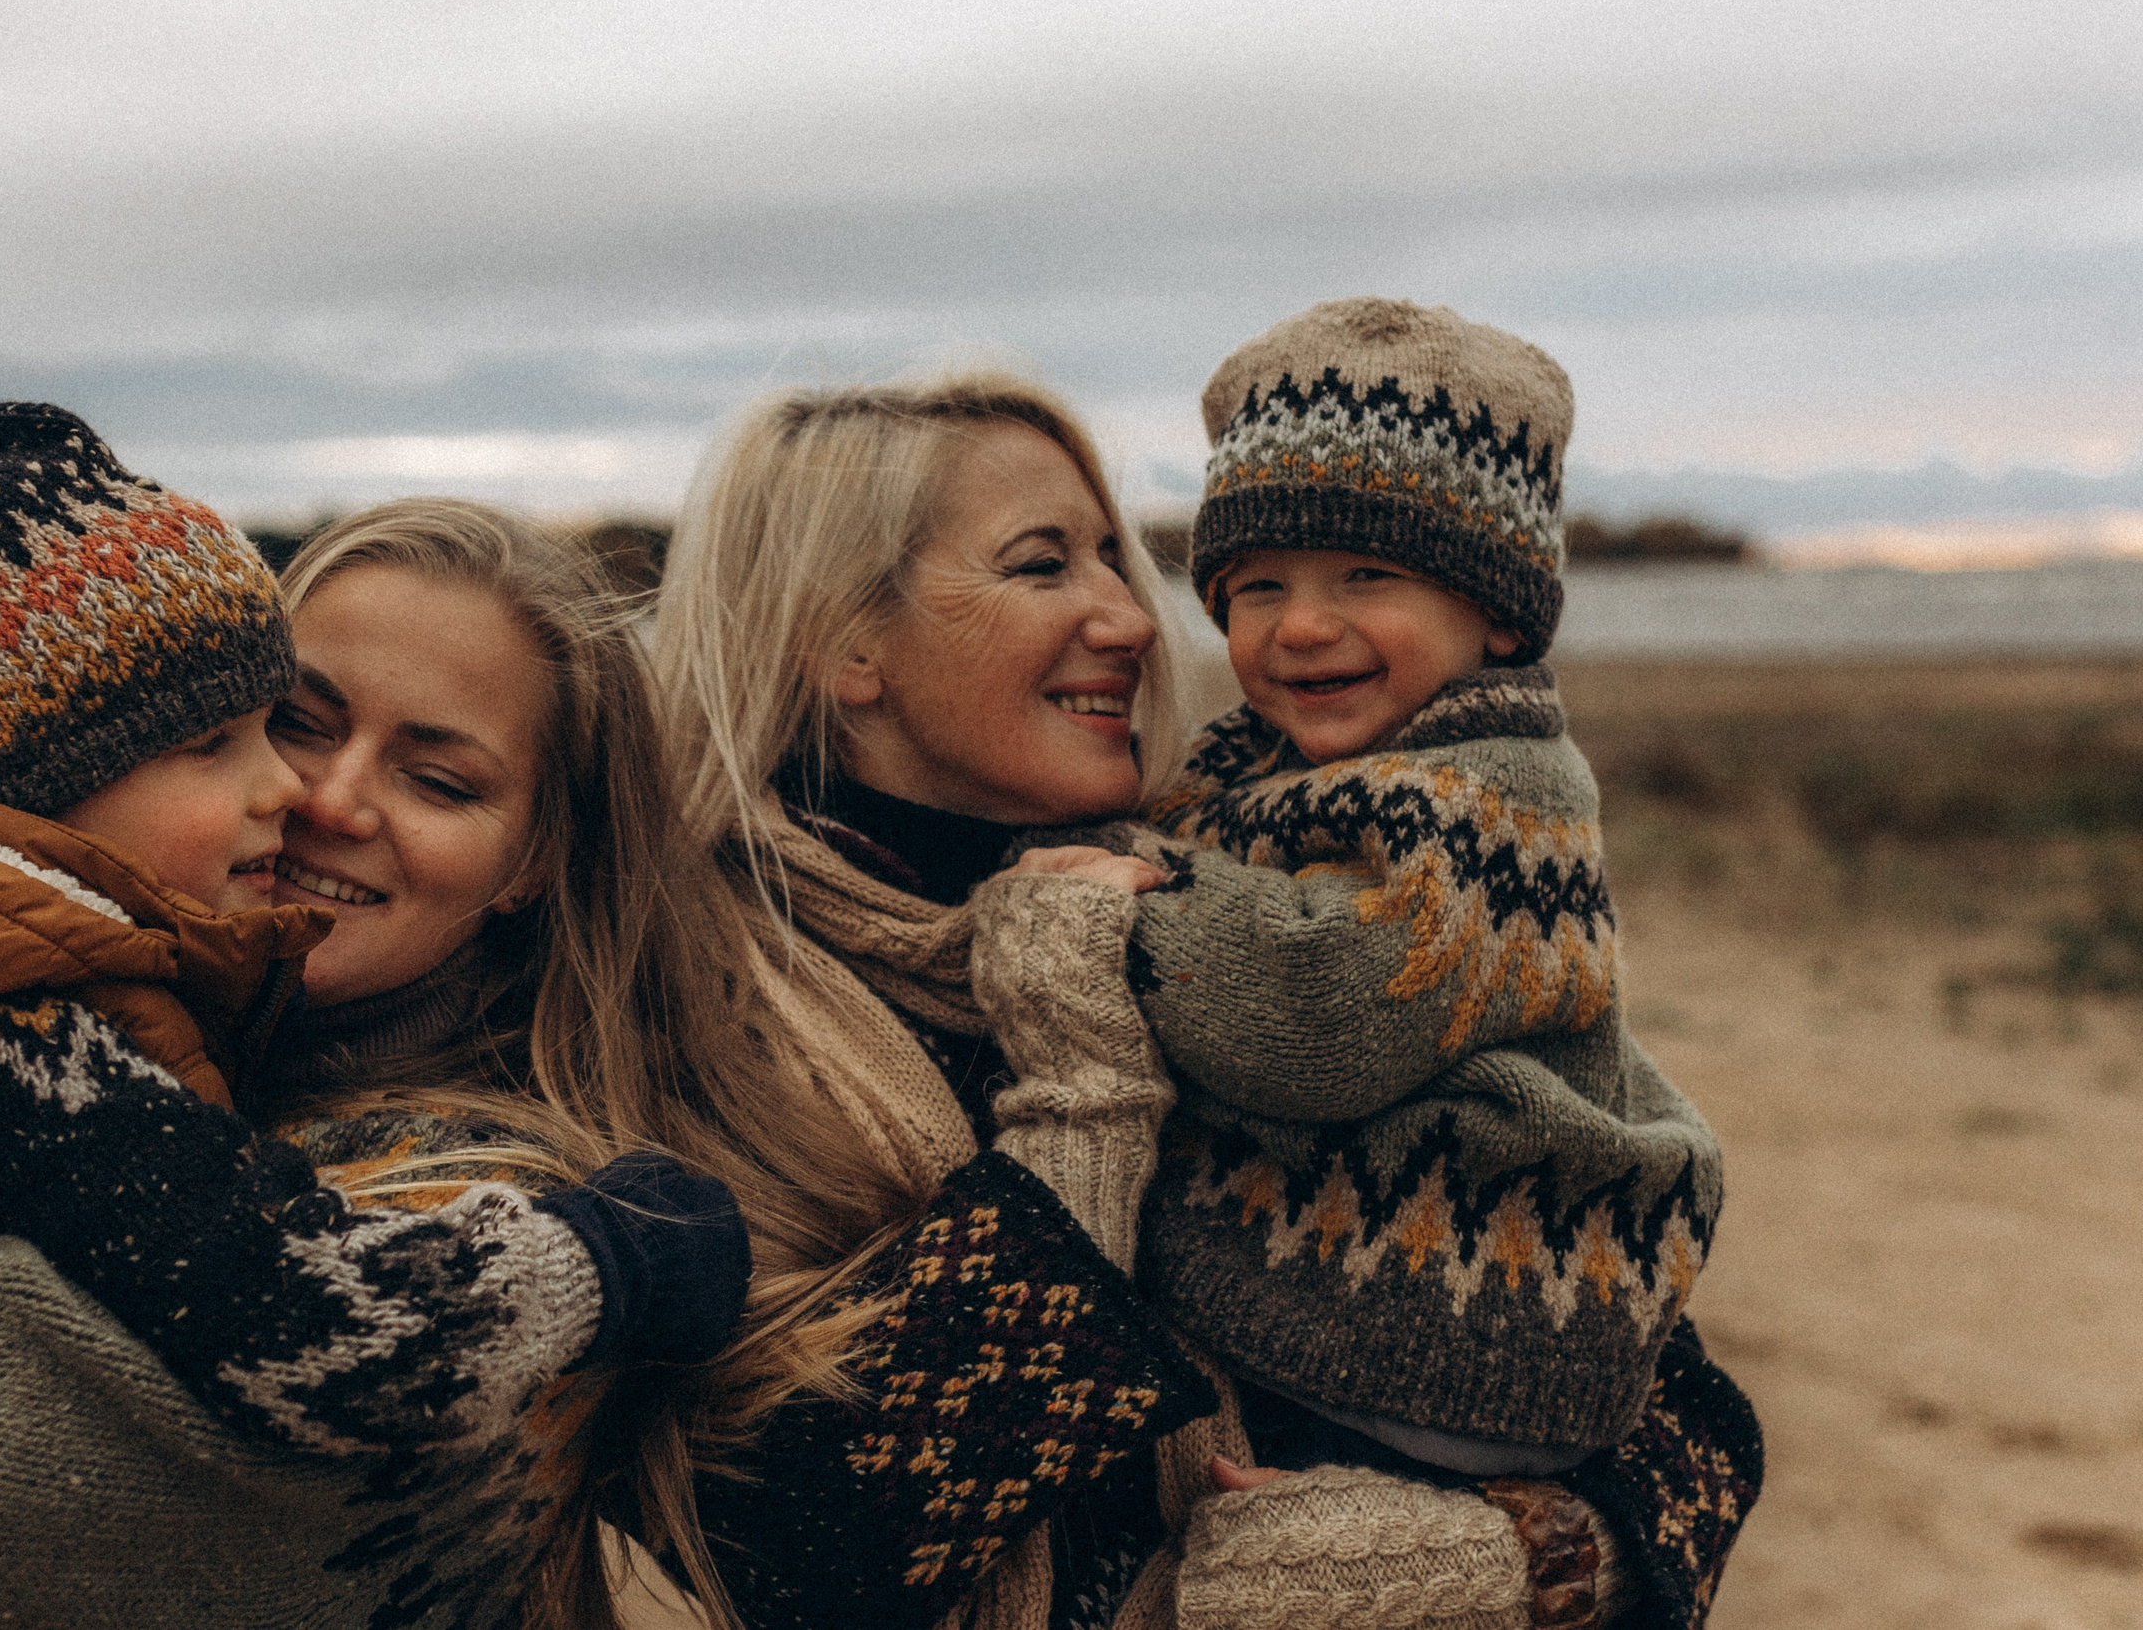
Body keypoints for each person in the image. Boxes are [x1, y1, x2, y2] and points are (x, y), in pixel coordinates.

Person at [0, 421, 748, 1630]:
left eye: (441, 781)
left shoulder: (448, 1154)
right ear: (42, 781)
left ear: (541, 858)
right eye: (263, 727)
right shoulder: (1, 1027)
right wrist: (618, 1254)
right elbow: (320, 1335)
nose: (307, 796)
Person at [652, 370, 1763, 1630]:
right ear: (839, 642)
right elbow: (799, 1553)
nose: (1130, 617)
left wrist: (1515, 1561)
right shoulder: (699, 1031)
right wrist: (1081, 1093)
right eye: (1040, 566)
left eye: (1116, 559)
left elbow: (1678, 1407)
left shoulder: (1236, 913)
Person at [1101, 297, 1728, 1491]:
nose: (1303, 626)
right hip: (1367, 1304)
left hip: (1457, 1324)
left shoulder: (1495, 798)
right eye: (1256, 587)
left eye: (1366, 574)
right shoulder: (1280, 767)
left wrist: (1137, 900)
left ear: (1496, 610)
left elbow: (1318, 1019)